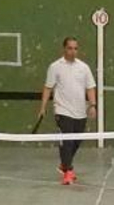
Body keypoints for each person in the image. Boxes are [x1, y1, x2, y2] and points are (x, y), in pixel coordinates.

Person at [37, 37, 97, 185]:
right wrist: (43, 107)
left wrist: (92, 105)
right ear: (64, 49)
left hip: (80, 111)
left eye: (75, 48)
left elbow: (90, 87)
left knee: (76, 141)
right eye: (70, 48)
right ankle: (68, 171)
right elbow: (48, 88)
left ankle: (64, 164)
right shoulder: (55, 67)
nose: (73, 51)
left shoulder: (84, 68)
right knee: (67, 141)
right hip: (62, 110)